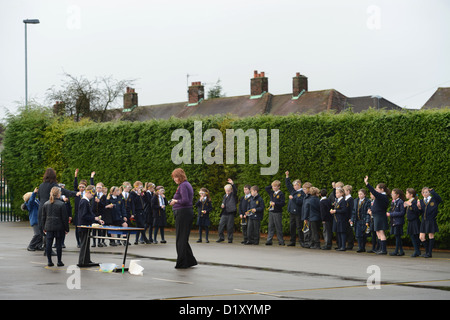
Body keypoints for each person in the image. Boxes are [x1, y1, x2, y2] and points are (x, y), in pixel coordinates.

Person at [169, 168, 197, 269]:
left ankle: (182, 262)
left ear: (180, 177)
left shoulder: (183, 185)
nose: (174, 179)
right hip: (185, 213)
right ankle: (189, 261)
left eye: (176, 177)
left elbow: (185, 200)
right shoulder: (186, 185)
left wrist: (175, 201)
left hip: (183, 213)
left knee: (180, 239)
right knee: (183, 238)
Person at [41, 187, 69, 267]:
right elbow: (64, 218)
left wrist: (44, 227)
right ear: (59, 194)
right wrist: (66, 228)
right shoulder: (61, 204)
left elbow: (43, 217)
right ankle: (59, 261)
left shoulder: (46, 204)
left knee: (49, 244)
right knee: (59, 244)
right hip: (59, 227)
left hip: (49, 226)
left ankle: (49, 261)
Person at [77, 185, 104, 267]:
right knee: (84, 244)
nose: (92, 197)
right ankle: (82, 261)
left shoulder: (86, 201)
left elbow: (90, 213)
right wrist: (94, 218)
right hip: (83, 226)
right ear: (88, 192)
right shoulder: (84, 202)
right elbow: (84, 216)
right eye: (92, 195)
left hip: (86, 226)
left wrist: (97, 219)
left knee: (86, 244)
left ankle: (87, 260)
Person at [364, 176, 389, 255]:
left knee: (381, 232)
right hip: (376, 215)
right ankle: (380, 248)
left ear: (382, 189)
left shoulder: (382, 196)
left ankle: (383, 250)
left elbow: (374, 192)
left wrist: (367, 183)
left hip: (380, 216)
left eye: (377, 188)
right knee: (378, 233)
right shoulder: (381, 196)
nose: (376, 190)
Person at [417, 187, 442, 258]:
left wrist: (433, 192)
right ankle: (427, 251)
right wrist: (419, 208)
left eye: (427, 192)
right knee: (421, 237)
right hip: (424, 221)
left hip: (431, 220)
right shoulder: (421, 201)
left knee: (431, 236)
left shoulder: (434, 199)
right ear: (422, 194)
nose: (425, 193)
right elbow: (420, 213)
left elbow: (439, 199)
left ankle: (429, 253)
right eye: (424, 192)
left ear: (429, 193)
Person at [285, 171, 304, 246]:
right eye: (293, 185)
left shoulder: (302, 192)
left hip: (298, 212)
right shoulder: (293, 191)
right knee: (292, 227)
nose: (294, 187)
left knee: (299, 227)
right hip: (292, 212)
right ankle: (292, 241)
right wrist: (287, 176)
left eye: (295, 185)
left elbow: (300, 202)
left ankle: (301, 241)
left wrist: (293, 198)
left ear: (299, 185)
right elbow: (288, 185)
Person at [265, 180, 286, 246]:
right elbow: (266, 188)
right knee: (270, 226)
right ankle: (269, 240)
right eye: (273, 186)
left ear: (279, 187)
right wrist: (272, 185)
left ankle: (281, 241)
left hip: (277, 212)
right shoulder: (272, 193)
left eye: (275, 186)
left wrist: (275, 203)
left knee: (278, 226)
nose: (274, 188)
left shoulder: (281, 194)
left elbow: (283, 203)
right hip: (271, 211)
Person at [217, 179, 238, 243]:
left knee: (230, 226)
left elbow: (235, 191)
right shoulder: (224, 196)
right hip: (224, 213)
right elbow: (224, 203)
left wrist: (232, 183)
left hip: (230, 212)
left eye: (228, 191)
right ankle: (221, 237)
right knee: (221, 225)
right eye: (226, 191)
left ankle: (230, 238)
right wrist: (222, 205)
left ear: (231, 190)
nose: (227, 192)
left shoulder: (233, 195)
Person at [387, 188, 406, 256]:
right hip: (394, 221)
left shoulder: (400, 202)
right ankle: (401, 251)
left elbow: (402, 213)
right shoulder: (393, 201)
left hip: (398, 222)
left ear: (397, 195)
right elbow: (392, 210)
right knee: (397, 236)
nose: (392, 195)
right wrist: (388, 213)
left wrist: (391, 214)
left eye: (393, 194)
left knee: (398, 236)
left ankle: (396, 251)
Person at [404, 188, 421, 257]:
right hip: (410, 221)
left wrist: (410, 205)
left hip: (415, 221)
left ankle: (417, 251)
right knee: (412, 236)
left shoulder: (415, 201)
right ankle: (417, 250)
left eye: (407, 193)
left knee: (415, 236)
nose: (406, 195)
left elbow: (418, 211)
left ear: (411, 195)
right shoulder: (409, 201)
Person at [343, 185, 354, 250]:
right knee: (346, 231)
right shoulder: (345, 198)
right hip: (345, 217)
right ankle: (347, 243)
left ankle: (350, 244)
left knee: (349, 231)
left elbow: (351, 209)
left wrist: (351, 218)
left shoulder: (350, 199)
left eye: (344, 191)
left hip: (348, 217)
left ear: (348, 191)